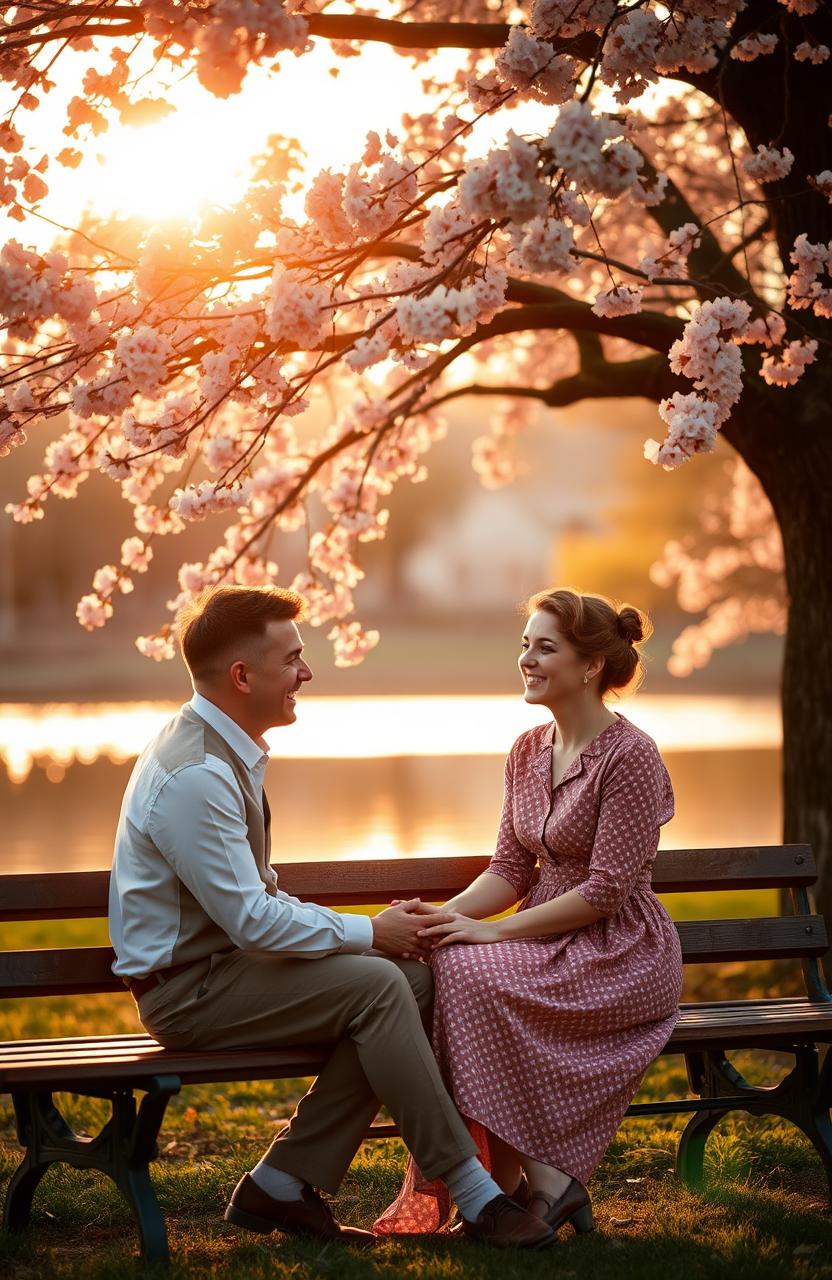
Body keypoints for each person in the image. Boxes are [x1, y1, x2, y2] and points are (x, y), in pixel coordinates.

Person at [108, 584, 555, 1250]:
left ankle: (282, 1183)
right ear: (242, 676)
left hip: (226, 970)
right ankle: (477, 1194)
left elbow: (255, 904)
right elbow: (253, 921)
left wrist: (380, 934)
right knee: (378, 986)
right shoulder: (196, 774)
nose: (306, 673)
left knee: (413, 980)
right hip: (187, 992)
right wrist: (372, 932)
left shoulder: (221, 748)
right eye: (292, 659)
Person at [374, 588, 683, 1237]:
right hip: (544, 932)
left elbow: (605, 892)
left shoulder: (631, 757)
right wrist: (446, 919)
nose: (527, 660)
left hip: (616, 947)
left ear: (591, 666)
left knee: (470, 970)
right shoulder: (525, 750)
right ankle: (521, 1186)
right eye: (525, 645)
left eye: (546, 648)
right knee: (455, 961)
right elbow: (510, 870)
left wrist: (491, 932)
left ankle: (531, 1183)